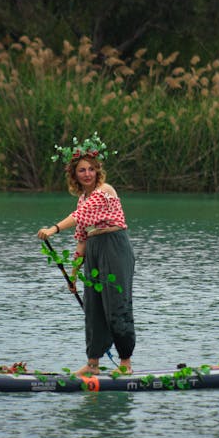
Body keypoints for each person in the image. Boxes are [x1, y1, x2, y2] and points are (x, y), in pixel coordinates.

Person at [37, 133, 135, 376]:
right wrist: (72, 275)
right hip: (93, 249)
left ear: (97, 171)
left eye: (91, 169)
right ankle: (93, 364)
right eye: (82, 170)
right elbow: (81, 239)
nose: (87, 174)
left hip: (114, 246)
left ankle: (125, 364)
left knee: (116, 303)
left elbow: (79, 217)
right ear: (75, 175)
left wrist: (54, 229)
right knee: (93, 306)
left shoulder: (105, 190)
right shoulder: (83, 198)